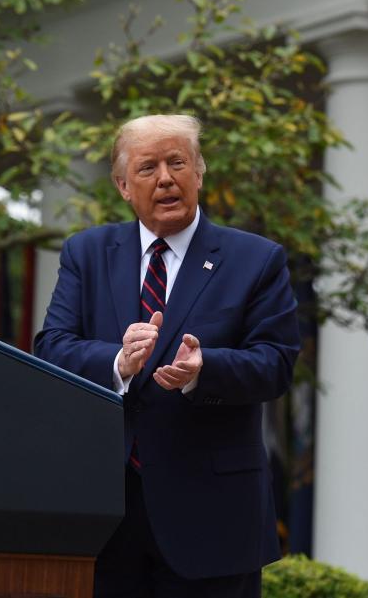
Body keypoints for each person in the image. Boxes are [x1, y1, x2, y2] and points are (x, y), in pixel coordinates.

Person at [34, 113, 300, 598]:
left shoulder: (256, 259)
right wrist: (118, 362)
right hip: (105, 518)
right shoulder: (86, 253)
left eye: (178, 163)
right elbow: (52, 348)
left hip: (213, 518)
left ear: (199, 172)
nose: (165, 179)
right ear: (122, 185)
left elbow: (276, 364)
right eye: (147, 168)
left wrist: (206, 370)